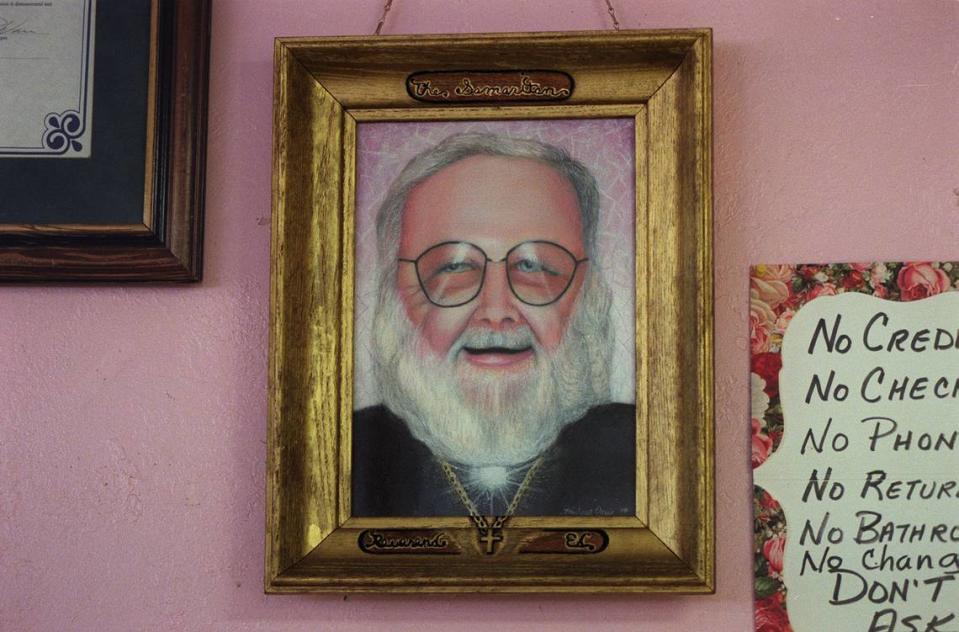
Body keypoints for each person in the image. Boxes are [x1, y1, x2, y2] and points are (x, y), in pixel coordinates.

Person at [353, 132, 635, 518]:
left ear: (589, 293)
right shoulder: (348, 455)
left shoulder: (648, 451)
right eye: (454, 267)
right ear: (394, 294)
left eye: (535, 266)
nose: (497, 309)